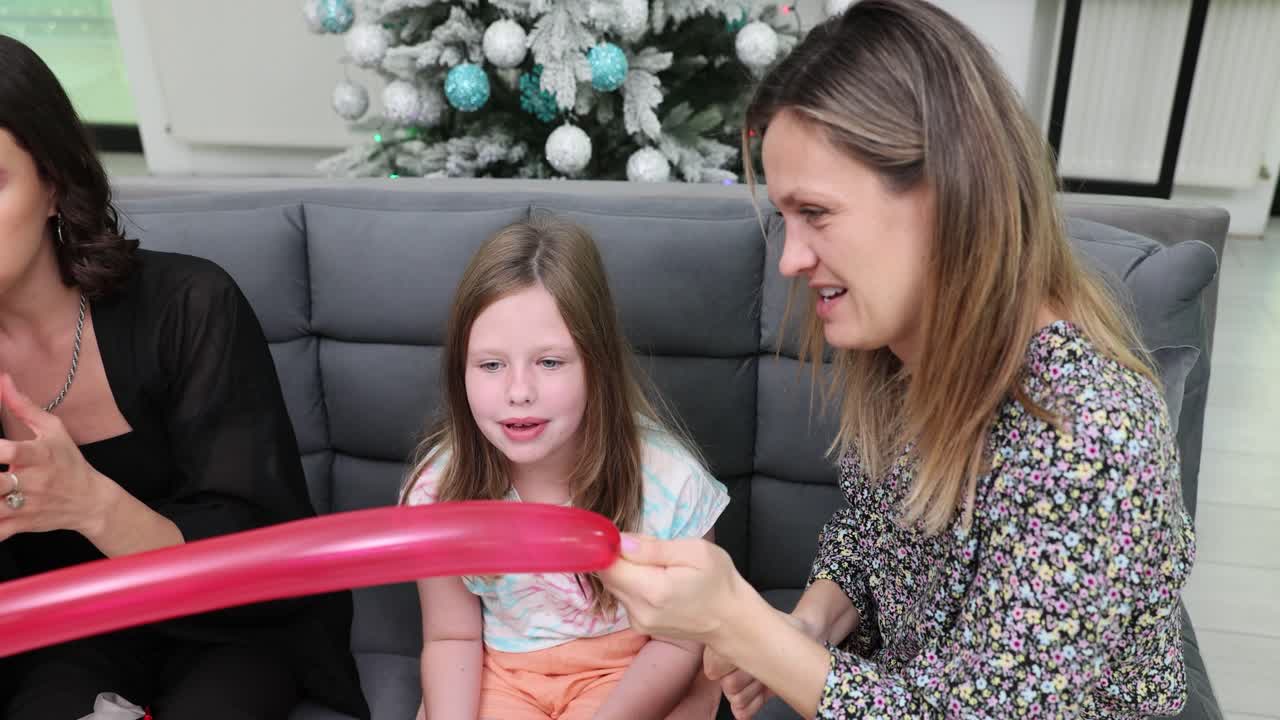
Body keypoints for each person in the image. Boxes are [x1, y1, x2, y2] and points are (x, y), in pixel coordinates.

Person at [598, 1, 1195, 718]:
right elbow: (873, 532)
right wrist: (808, 623)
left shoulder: (1091, 433)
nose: (790, 258)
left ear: (948, 194)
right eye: (784, 220)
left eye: (815, 214)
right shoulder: (907, 356)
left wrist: (739, 623)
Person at [0, 34, 369, 720]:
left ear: (52, 184)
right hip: (68, 635)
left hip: (232, 624)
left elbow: (259, 565)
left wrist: (89, 504)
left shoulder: (189, 306)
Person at [403, 216, 728, 720]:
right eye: (490, 365)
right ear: (459, 371)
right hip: (502, 672)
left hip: (633, 672)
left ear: (597, 365)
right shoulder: (436, 491)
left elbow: (678, 644)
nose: (518, 392)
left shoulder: (670, 481)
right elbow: (452, 635)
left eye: (550, 362)